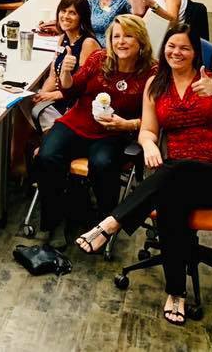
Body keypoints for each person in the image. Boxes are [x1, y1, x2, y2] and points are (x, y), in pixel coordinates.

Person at [75, 24, 212, 326]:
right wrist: (148, 145)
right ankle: (176, 294)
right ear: (163, 48)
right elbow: (148, 131)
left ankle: (111, 223)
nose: (176, 52)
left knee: (174, 172)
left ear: (195, 52)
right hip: (178, 176)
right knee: (171, 199)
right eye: (171, 46)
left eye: (184, 48)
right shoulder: (156, 84)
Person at [34, 14, 155, 248]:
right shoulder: (99, 59)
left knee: (102, 164)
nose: (121, 41)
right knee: (47, 155)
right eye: (116, 36)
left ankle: (102, 226)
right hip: (77, 123)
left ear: (141, 40)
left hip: (113, 132)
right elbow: (71, 91)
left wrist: (127, 125)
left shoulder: (151, 71)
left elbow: (157, 117)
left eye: (128, 36)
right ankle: (54, 222)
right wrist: (66, 73)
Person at [31, 0, 101, 131]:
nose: (66, 16)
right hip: (60, 96)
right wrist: (42, 95)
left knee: (37, 111)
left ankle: (51, 141)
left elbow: (83, 87)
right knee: (24, 103)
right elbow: (53, 76)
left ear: (82, 17)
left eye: (72, 13)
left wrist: (52, 95)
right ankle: (18, 152)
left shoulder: (88, 44)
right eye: (63, 11)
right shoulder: (63, 38)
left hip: (76, 103)